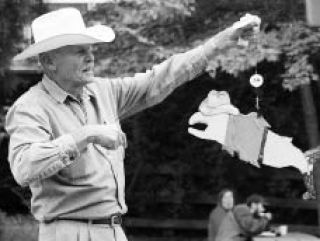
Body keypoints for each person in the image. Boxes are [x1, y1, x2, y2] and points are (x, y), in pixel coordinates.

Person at [5, 7, 260, 241]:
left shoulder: (103, 91)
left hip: (113, 231)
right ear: (49, 62)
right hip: (68, 233)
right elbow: (24, 167)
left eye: (91, 49)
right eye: (80, 50)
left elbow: (159, 79)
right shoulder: (30, 107)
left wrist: (222, 42)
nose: (91, 57)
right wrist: (86, 135)